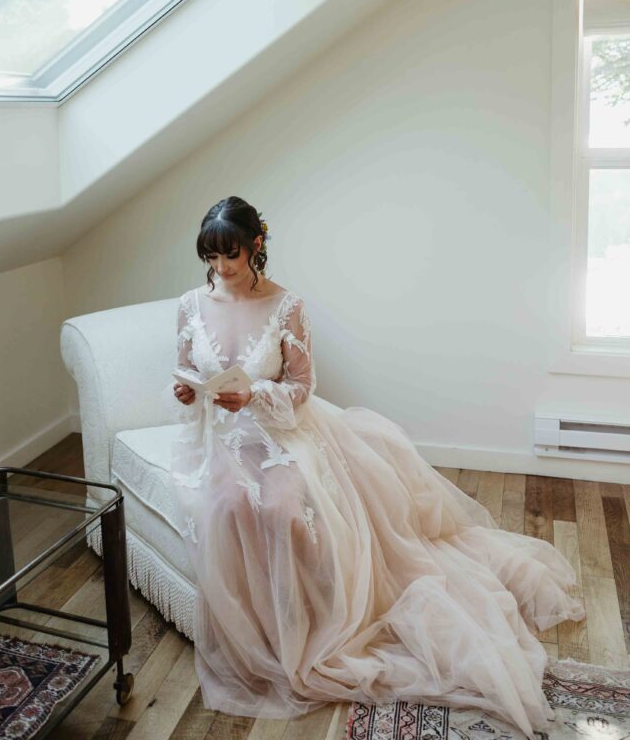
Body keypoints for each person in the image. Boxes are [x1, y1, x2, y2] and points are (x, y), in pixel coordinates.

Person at [169, 196, 585, 737]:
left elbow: (302, 386)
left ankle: (310, 627)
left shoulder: (286, 305)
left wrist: (255, 396)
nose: (221, 268)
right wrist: (186, 391)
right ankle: (258, 638)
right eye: (211, 257)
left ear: (256, 247)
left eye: (231, 256)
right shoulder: (189, 304)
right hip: (219, 438)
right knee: (228, 506)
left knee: (285, 509)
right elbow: (184, 369)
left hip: (279, 432)